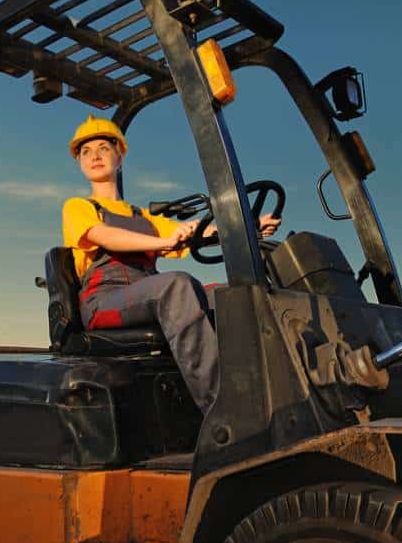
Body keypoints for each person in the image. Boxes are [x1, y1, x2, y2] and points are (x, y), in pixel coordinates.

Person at [61, 115, 279, 415]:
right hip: (104, 302)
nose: (95, 155)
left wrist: (249, 226)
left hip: (146, 295)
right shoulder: (79, 207)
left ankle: (272, 395)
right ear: (80, 162)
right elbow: (105, 236)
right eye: (86, 152)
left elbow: (192, 230)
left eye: (103, 147)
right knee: (176, 286)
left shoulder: (143, 216)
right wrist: (161, 243)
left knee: (233, 294)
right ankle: (226, 411)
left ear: (119, 155)